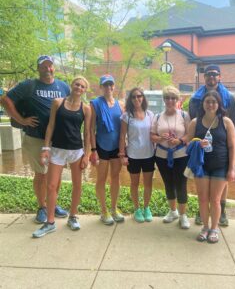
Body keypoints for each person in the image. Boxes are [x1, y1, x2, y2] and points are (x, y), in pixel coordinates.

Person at [0, 55, 70, 223]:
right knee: (41, 174)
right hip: (36, 138)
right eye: (44, 66)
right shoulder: (28, 86)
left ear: (54, 67)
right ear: (38, 69)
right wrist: (21, 120)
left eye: (50, 66)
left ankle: (53, 204)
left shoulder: (63, 87)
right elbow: (5, 99)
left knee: (56, 173)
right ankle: (42, 207)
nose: (48, 69)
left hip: (58, 139)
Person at [32, 76, 91, 238]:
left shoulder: (86, 109)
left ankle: (72, 217)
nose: (79, 87)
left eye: (82, 86)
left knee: (77, 185)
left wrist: (87, 154)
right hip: (57, 150)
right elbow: (50, 126)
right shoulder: (58, 103)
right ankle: (50, 222)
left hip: (76, 152)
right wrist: (45, 147)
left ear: (85, 90)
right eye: (77, 84)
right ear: (71, 85)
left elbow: (87, 133)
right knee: (51, 186)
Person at [189, 64, 235, 227]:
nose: (211, 77)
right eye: (208, 75)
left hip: (221, 149)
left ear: (219, 77)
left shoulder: (229, 98)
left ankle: (221, 211)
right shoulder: (195, 99)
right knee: (203, 194)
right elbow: (193, 128)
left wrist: (232, 162)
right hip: (202, 155)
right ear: (204, 77)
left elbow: (233, 128)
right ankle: (202, 214)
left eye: (215, 75)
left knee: (220, 188)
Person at [151, 86, 191, 229]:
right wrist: (161, 138)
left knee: (181, 184)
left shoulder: (184, 115)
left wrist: (179, 141)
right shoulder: (157, 116)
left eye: (173, 98)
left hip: (181, 155)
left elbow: (189, 134)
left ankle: (183, 215)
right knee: (168, 183)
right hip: (162, 156)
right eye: (167, 98)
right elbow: (152, 136)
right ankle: (173, 211)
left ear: (178, 99)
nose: (170, 101)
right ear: (164, 99)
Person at [89, 74, 125, 225]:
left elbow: (124, 129)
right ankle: (104, 211)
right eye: (105, 85)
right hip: (101, 146)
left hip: (116, 147)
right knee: (101, 179)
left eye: (111, 85)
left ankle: (114, 208)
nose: (108, 87)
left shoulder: (120, 105)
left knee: (115, 178)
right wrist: (93, 150)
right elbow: (90, 129)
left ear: (114, 86)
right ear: (101, 87)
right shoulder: (95, 104)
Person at [119, 88, 155, 223]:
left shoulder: (150, 114)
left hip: (149, 154)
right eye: (133, 97)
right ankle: (137, 209)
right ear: (130, 99)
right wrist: (122, 154)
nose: (137, 99)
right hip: (133, 155)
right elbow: (122, 136)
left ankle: (146, 207)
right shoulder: (126, 116)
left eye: (139, 96)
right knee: (134, 184)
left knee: (148, 183)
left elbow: (154, 134)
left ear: (143, 98)